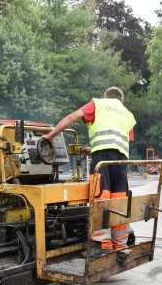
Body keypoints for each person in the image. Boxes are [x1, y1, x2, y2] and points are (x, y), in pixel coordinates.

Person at [42, 87, 135, 251]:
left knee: (100, 197)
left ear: (106, 97)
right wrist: (92, 150)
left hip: (102, 160)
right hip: (121, 162)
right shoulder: (127, 113)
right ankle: (120, 245)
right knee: (119, 201)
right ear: (121, 100)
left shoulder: (97, 104)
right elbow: (117, 143)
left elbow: (72, 117)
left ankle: (101, 245)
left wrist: (50, 136)